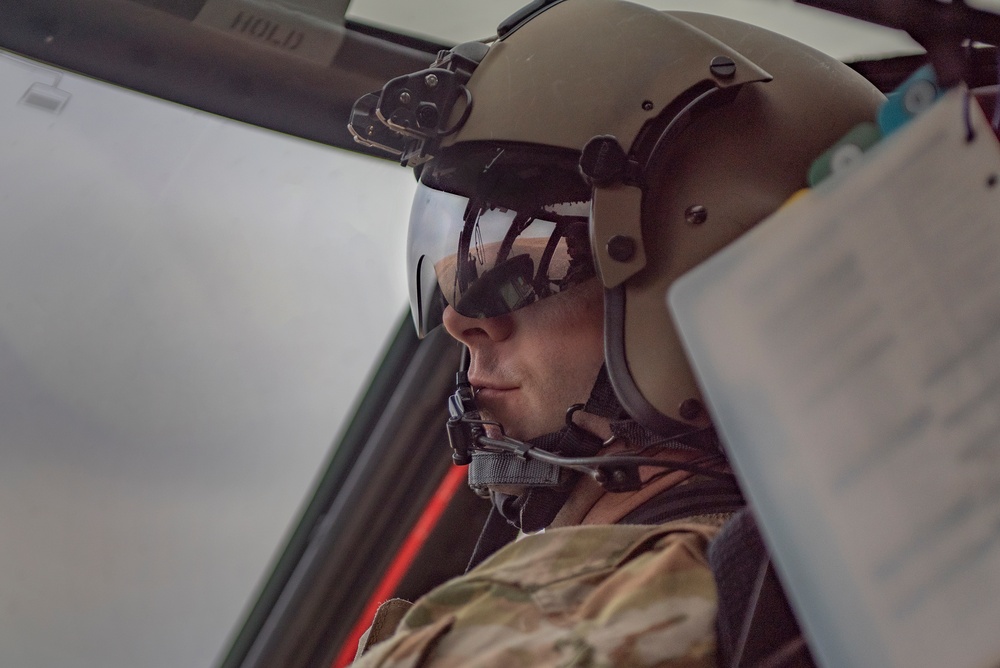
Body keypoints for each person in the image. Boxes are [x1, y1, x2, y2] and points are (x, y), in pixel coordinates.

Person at [348, 0, 884, 665]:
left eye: (526, 271)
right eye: (459, 275)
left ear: (709, 265)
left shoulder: (551, 626)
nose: (463, 319)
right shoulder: (851, 592)